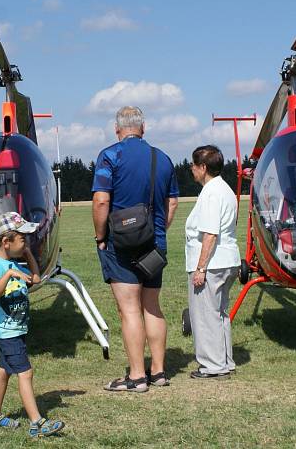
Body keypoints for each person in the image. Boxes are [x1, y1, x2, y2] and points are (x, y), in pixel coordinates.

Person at [92, 106, 179, 392]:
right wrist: (156, 231)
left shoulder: (109, 156)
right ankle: (159, 371)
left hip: (121, 244)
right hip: (155, 244)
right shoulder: (163, 158)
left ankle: (137, 376)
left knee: (129, 310)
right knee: (152, 306)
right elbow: (172, 203)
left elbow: (102, 201)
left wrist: (100, 236)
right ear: (143, 128)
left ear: (117, 130)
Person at [0, 211, 64, 437]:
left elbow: (35, 279)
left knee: (4, 371)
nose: (26, 242)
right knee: (25, 373)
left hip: (16, 329)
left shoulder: (13, 264)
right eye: (23, 239)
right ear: (6, 242)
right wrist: (9, 275)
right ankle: (37, 423)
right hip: (6, 332)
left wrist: (28, 255)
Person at [185, 145, 241, 379]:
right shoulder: (224, 189)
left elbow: (209, 234)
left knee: (206, 314)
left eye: (194, 165)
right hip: (228, 259)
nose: (191, 169)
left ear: (203, 168)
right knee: (219, 313)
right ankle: (224, 360)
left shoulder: (210, 193)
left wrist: (200, 268)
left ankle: (212, 365)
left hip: (213, 262)